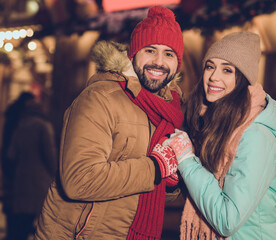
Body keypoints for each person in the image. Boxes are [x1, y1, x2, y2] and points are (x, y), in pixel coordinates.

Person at [34, 6, 184, 240]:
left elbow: (145, 192)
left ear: (177, 64)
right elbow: (79, 180)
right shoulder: (100, 98)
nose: (159, 62)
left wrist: (170, 181)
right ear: (133, 54)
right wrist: (155, 168)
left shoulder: (167, 112)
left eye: (169, 54)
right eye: (150, 50)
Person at [165, 32, 276, 239]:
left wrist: (186, 159)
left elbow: (227, 220)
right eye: (210, 66)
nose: (214, 76)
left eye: (227, 70)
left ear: (242, 79)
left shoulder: (255, 136)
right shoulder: (215, 126)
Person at [6, 95, 57, 240]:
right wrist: (56, 175)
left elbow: (11, 153)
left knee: (22, 221)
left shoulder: (21, 125)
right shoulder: (44, 126)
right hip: (40, 180)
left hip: (21, 179)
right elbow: (50, 154)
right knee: (42, 222)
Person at [1, 91, 36, 240]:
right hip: (14, 158)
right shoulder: (21, 116)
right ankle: (16, 229)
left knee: (11, 193)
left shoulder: (13, 112)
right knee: (15, 193)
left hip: (8, 156)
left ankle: (13, 227)